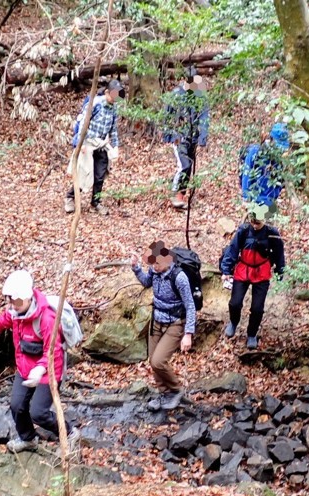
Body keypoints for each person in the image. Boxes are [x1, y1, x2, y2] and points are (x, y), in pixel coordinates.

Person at [0, 270, 79, 452]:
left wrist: (40, 370)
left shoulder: (46, 318)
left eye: (15, 301)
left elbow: (53, 352)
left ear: (28, 298)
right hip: (24, 368)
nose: (12, 306)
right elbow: (5, 319)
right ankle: (28, 439)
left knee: (38, 413)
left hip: (49, 372)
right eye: (9, 301)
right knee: (17, 406)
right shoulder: (17, 312)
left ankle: (70, 433)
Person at [131, 241, 196, 411]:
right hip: (157, 320)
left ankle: (175, 390)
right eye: (151, 264)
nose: (153, 267)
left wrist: (188, 333)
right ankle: (164, 393)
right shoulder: (154, 269)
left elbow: (190, 305)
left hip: (175, 322)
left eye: (156, 264)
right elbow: (146, 282)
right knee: (153, 361)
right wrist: (136, 268)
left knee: (159, 361)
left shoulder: (179, 277)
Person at [220, 205, 286, 349]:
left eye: (258, 222)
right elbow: (232, 250)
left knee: (257, 308)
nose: (255, 225)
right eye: (252, 222)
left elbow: (279, 253)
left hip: (262, 271)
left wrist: (280, 270)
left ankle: (252, 334)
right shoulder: (243, 231)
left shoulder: (272, 233)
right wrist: (226, 270)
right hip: (243, 269)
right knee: (235, 303)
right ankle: (233, 321)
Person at [64, 79, 124, 216]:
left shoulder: (114, 108)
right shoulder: (95, 103)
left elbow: (113, 129)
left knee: (100, 175)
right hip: (88, 142)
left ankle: (96, 202)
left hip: (102, 144)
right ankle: (70, 198)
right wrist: (81, 142)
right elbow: (83, 121)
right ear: (108, 92)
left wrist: (115, 146)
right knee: (84, 173)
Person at [162, 67, 209, 209]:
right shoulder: (176, 94)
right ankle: (175, 194)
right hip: (179, 136)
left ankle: (181, 195)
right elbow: (167, 116)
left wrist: (202, 137)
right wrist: (169, 134)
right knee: (184, 165)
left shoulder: (200, 96)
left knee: (189, 166)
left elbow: (204, 117)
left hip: (192, 137)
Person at [240, 123, 289, 212]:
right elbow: (246, 176)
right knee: (255, 222)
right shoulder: (255, 153)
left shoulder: (279, 157)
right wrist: (246, 198)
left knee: (267, 222)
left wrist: (275, 196)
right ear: (271, 140)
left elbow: (278, 178)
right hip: (254, 198)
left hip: (269, 199)